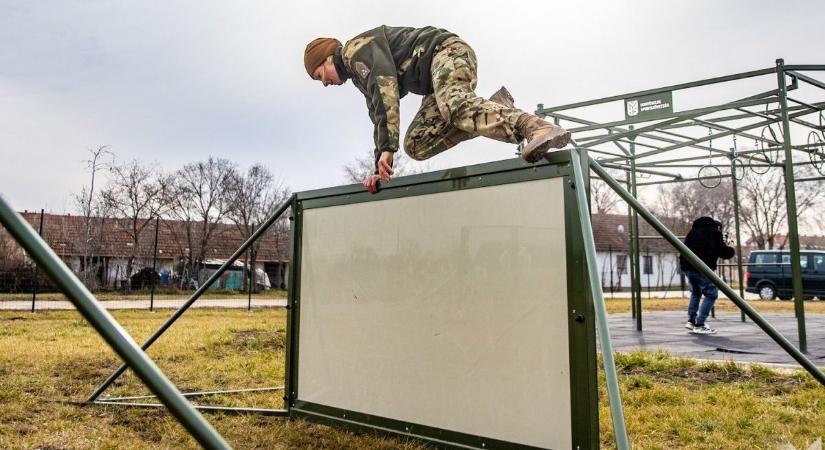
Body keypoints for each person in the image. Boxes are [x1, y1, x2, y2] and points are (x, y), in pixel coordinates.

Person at [303, 25, 571, 194]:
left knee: (453, 106)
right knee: (416, 144)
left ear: (328, 57)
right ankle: (495, 109)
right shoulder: (359, 75)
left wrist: (387, 149)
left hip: (446, 52)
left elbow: (386, 96)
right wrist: (379, 166)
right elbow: (379, 115)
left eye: (319, 74)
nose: (324, 83)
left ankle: (536, 127)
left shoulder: (355, 51)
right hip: (432, 83)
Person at [679, 217, 735, 334]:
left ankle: (691, 320)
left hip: (687, 266)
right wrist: (731, 249)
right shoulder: (714, 232)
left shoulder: (693, 231)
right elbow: (723, 252)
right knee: (711, 293)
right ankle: (700, 324)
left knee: (696, 292)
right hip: (701, 268)